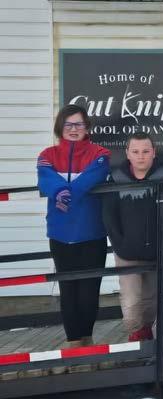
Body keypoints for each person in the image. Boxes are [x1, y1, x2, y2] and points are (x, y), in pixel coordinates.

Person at [37, 104, 110, 347]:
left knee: (89, 291)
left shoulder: (100, 153)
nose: (73, 129)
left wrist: (66, 195)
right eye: (68, 124)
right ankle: (73, 343)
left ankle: (87, 340)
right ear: (60, 127)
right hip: (60, 234)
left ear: (87, 127)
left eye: (79, 124)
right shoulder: (47, 155)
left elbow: (92, 178)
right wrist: (59, 191)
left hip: (92, 233)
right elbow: (46, 180)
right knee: (68, 291)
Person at [103, 132, 163, 342]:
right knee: (131, 299)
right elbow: (109, 216)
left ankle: (146, 335)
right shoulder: (116, 179)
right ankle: (135, 336)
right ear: (127, 153)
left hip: (156, 250)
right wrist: (120, 245)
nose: (140, 156)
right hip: (126, 252)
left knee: (152, 299)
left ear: (154, 152)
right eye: (135, 151)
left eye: (145, 151)